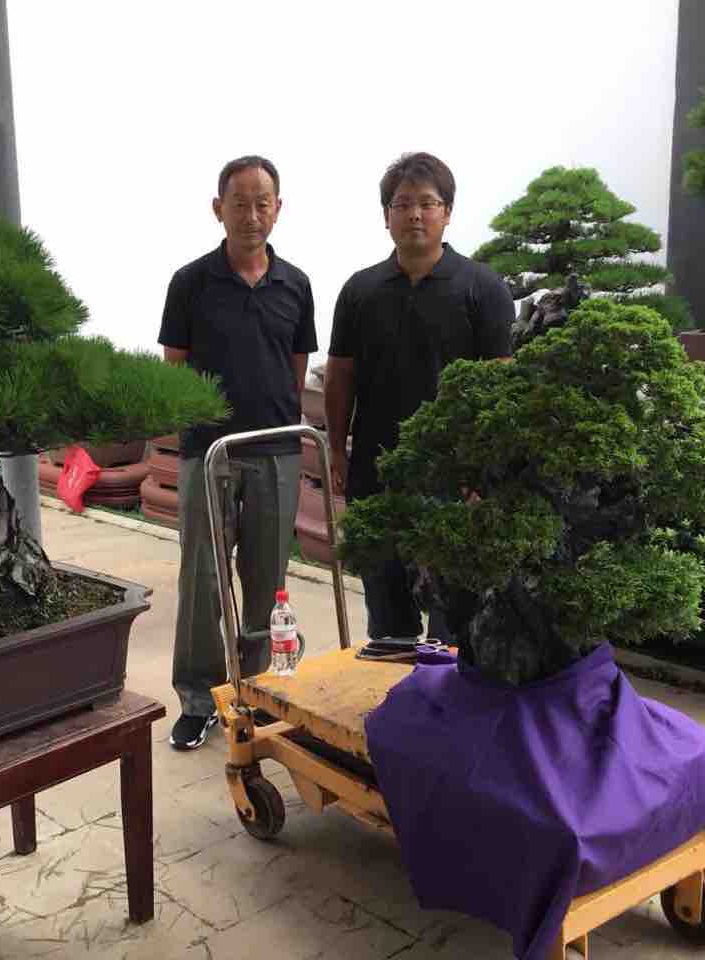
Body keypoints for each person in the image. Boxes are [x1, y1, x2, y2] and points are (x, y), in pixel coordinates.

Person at [159, 155, 317, 750]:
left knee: (267, 576)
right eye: (240, 203)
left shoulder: (295, 284)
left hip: (276, 449)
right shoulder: (191, 282)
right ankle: (199, 698)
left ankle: (253, 687)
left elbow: (295, 367)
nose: (252, 215)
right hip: (209, 450)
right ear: (217, 209)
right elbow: (175, 370)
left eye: (262, 203)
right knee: (203, 576)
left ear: (278, 209)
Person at [324, 152, 513, 642]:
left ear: (447, 212)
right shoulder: (360, 290)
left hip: (455, 477)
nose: (414, 215)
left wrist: (486, 471)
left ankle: (449, 687)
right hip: (377, 468)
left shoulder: (483, 288)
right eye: (402, 204)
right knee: (387, 610)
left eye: (427, 203)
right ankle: (392, 685)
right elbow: (340, 375)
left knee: (455, 615)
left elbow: (500, 386)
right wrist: (336, 449)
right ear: (386, 214)